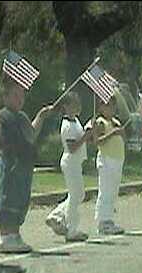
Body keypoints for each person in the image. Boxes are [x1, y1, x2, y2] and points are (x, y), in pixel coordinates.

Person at [0, 76, 54, 253]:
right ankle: (5, 237)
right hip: (11, 164)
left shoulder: (22, 117)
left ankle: (15, 234)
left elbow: (31, 134)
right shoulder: (3, 115)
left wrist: (41, 116)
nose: (20, 99)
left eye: (22, 96)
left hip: (25, 166)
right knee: (8, 197)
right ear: (6, 97)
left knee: (21, 199)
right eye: (15, 95)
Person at [45, 92, 93, 242]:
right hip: (70, 161)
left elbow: (82, 137)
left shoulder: (76, 122)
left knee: (78, 194)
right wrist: (85, 137)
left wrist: (89, 132)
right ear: (65, 107)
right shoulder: (66, 126)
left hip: (76, 162)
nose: (77, 107)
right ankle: (71, 229)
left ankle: (57, 214)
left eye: (78, 104)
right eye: (73, 104)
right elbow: (72, 147)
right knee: (76, 195)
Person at [92, 92, 128, 234]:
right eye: (107, 106)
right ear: (101, 108)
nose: (110, 109)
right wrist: (113, 133)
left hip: (117, 159)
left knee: (113, 191)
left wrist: (121, 133)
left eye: (113, 106)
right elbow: (97, 141)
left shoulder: (116, 122)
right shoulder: (101, 122)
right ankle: (102, 221)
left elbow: (123, 139)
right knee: (105, 190)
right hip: (106, 159)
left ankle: (109, 218)